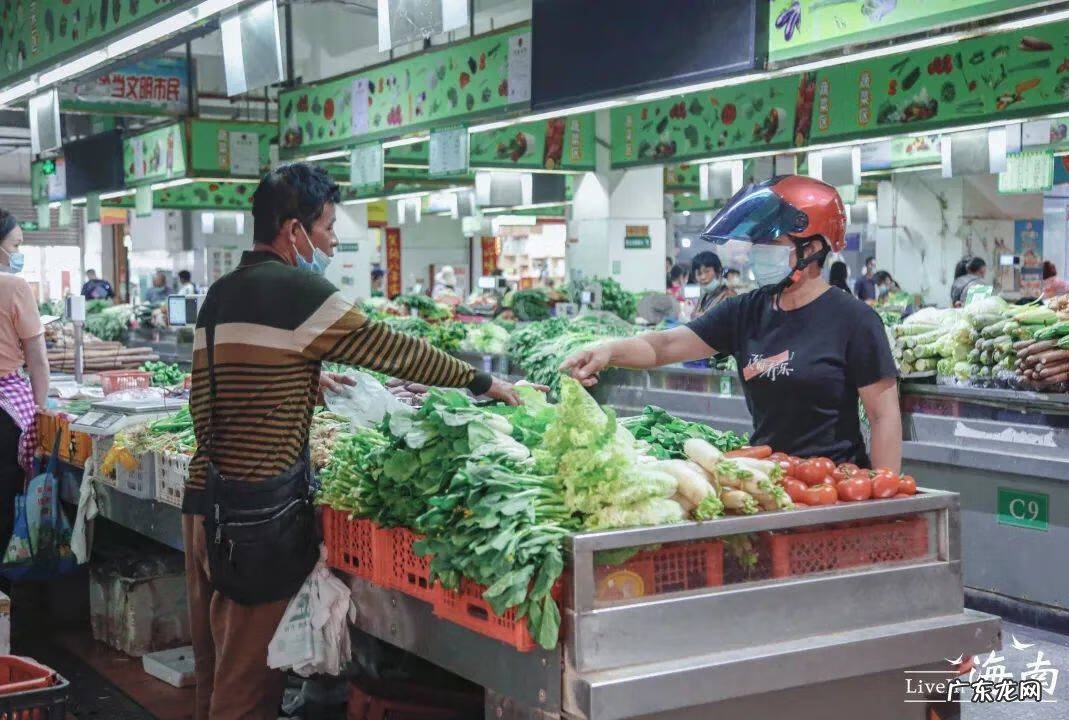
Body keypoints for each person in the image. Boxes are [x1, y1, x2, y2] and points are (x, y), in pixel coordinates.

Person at [181, 164, 529, 720]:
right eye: (326, 227)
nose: (332, 241)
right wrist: (485, 382)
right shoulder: (297, 289)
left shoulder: (221, 293)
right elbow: (393, 350)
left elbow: (210, 395)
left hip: (206, 502)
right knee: (247, 690)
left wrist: (302, 379)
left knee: (218, 667)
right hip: (256, 512)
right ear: (293, 231)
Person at [562, 177, 901, 471]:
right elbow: (664, 346)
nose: (757, 252)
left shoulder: (854, 321)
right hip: (766, 477)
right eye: (757, 243)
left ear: (811, 248)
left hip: (832, 485)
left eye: (771, 243)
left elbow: (883, 417)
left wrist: (886, 497)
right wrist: (606, 351)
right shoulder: (745, 311)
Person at [0, 210, 49, 553]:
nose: (19, 251)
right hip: (5, 416)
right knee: (5, 508)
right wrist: (42, 409)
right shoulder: (14, 286)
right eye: (15, 244)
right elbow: (37, 359)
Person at [690, 251, 726, 318]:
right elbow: (693, 315)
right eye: (699, 273)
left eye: (707, 271)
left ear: (718, 271)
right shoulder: (704, 295)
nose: (703, 277)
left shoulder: (728, 295)